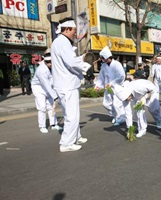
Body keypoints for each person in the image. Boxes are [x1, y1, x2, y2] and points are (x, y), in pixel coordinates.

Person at [51, 17, 91, 152]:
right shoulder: (62, 42)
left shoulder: (60, 42)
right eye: (74, 30)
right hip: (67, 85)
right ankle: (66, 143)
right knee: (72, 115)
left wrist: (80, 59)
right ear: (67, 29)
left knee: (73, 113)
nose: (75, 33)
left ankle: (76, 136)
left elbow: (69, 61)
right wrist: (86, 65)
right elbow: (72, 63)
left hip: (65, 84)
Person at [114, 72, 161, 138]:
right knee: (138, 112)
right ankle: (142, 129)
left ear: (128, 94)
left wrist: (146, 97)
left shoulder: (139, 87)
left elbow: (153, 89)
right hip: (137, 97)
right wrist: (129, 129)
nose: (127, 101)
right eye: (125, 100)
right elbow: (128, 113)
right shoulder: (124, 97)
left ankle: (158, 120)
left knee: (153, 109)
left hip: (150, 92)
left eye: (127, 99)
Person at [31, 49, 62, 133]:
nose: (50, 64)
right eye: (48, 62)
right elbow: (46, 84)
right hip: (39, 88)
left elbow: (53, 81)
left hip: (48, 87)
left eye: (51, 61)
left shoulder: (53, 67)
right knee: (42, 107)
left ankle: (53, 124)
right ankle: (42, 126)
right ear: (45, 61)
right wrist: (55, 96)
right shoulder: (41, 70)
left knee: (51, 106)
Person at [95, 46, 126, 126]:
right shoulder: (104, 66)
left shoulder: (117, 64)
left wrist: (112, 83)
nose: (102, 59)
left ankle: (120, 118)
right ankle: (116, 115)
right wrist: (98, 85)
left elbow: (121, 76)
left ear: (107, 57)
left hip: (117, 87)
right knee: (106, 104)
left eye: (103, 58)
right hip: (108, 88)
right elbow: (101, 77)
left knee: (116, 104)